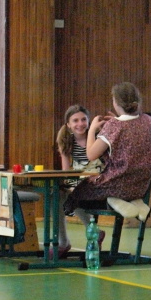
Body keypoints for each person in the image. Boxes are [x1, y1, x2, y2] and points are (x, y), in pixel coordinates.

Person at [63, 83, 151, 227]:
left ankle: (113, 201)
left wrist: (92, 130)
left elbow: (91, 155)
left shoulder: (114, 126)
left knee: (75, 196)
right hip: (140, 187)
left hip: (116, 186)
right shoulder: (149, 121)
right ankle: (136, 202)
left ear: (116, 102)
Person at [54, 104, 91, 255]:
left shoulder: (96, 137)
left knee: (72, 193)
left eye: (83, 119)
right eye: (75, 120)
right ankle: (63, 241)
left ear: (89, 121)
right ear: (68, 124)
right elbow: (66, 171)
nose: (80, 124)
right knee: (56, 195)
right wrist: (69, 184)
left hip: (95, 179)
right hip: (77, 180)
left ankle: (92, 228)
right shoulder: (65, 140)